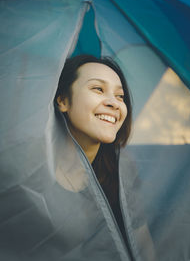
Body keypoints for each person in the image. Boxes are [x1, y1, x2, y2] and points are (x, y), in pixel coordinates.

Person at [54, 54, 155, 261]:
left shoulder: (121, 168)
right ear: (63, 100)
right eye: (98, 89)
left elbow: (142, 244)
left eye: (120, 96)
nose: (114, 103)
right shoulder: (26, 169)